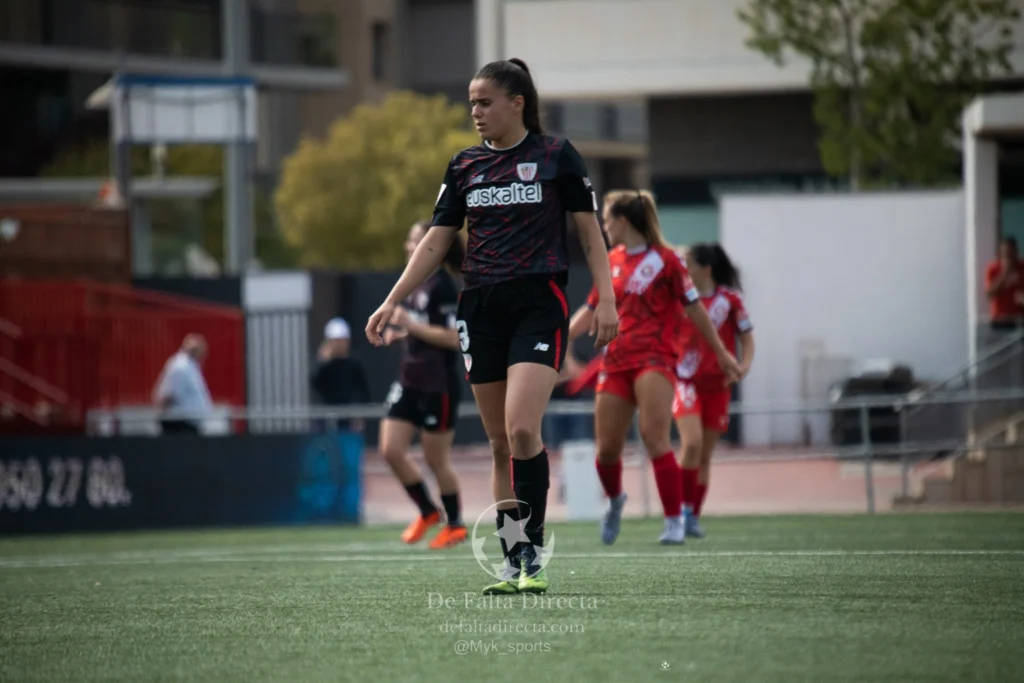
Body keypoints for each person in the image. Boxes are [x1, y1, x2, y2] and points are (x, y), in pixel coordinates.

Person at [366, 58, 619, 595]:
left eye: (485, 102)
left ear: (517, 102)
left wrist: (607, 302)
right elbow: (437, 241)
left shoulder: (556, 156)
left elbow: (591, 236)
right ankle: (514, 559)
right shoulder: (462, 166)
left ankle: (535, 553)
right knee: (500, 443)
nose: (475, 112)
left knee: (525, 429)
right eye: (472, 103)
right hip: (479, 310)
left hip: (538, 305)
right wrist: (392, 300)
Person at [565, 192, 742, 546]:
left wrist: (722, 353)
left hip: (656, 359)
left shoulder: (668, 261)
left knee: (654, 436)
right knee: (607, 450)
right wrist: (558, 339)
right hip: (616, 362)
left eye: (608, 220)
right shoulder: (610, 259)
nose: (604, 227)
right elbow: (591, 309)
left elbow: (695, 310)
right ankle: (616, 501)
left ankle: (674, 520)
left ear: (624, 222)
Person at [378, 221, 467, 550]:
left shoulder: (443, 286)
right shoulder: (413, 285)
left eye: (414, 240)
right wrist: (402, 333)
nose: (407, 246)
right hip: (409, 377)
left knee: (436, 459)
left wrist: (411, 326)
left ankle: (455, 525)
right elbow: (418, 328)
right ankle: (428, 511)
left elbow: (455, 338)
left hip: (437, 383)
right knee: (390, 449)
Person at [675, 243, 755, 540]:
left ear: (705, 268)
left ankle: (693, 517)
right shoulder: (680, 299)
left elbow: (747, 336)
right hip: (685, 381)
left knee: (704, 456)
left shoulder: (730, 301)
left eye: (689, 265)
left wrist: (744, 365)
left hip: (717, 386)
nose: (685, 270)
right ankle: (680, 512)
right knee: (691, 444)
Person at [310, 318, 371, 433]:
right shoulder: (324, 365)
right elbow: (315, 383)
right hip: (326, 417)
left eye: (341, 340)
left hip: (348, 418)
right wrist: (323, 362)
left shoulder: (354, 365)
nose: (338, 344)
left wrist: (359, 414)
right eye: (335, 341)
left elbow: (362, 391)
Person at [152, 334, 211, 435]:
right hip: (179, 424)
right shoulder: (180, 366)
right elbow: (169, 395)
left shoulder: (190, 365)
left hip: (189, 423)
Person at [985, 237, 1024, 331]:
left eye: (1011, 252)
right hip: (999, 320)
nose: (1009, 256)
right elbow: (990, 295)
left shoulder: (1022, 267)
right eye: (1006, 253)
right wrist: (1004, 275)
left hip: (1019, 319)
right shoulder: (993, 269)